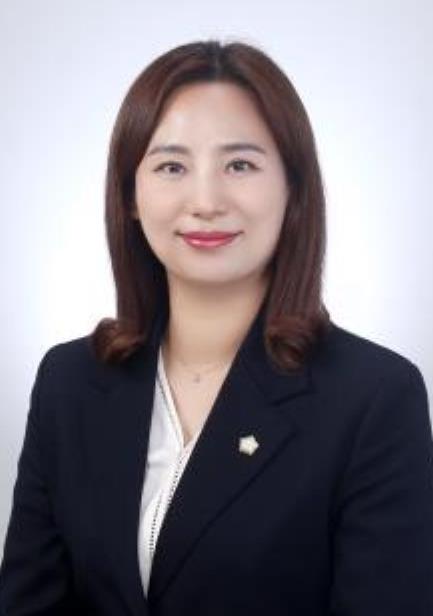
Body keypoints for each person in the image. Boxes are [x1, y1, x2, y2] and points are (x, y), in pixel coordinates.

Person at [1, 38, 432, 616]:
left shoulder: (374, 397)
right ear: (130, 195)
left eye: (240, 165)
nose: (205, 200)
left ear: (294, 189)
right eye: (172, 166)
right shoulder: (70, 381)